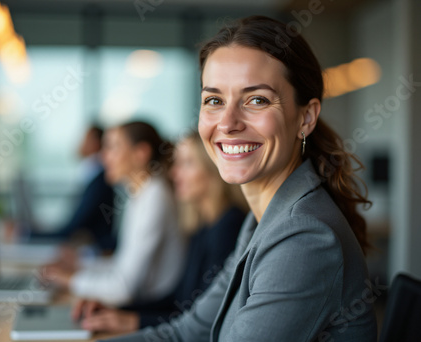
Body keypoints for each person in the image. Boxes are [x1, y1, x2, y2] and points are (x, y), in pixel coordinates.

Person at [94, 16, 377, 341]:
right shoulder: (260, 222)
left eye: (256, 99)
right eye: (214, 100)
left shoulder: (305, 240)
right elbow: (187, 332)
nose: (228, 123)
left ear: (306, 117)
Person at [71, 132, 247, 334]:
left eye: (187, 163)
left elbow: (204, 320)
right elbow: (179, 300)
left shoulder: (228, 227)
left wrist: (133, 321)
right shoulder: (204, 226)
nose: (174, 173)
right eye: (176, 163)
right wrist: (120, 311)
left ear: (213, 168)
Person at [44, 121, 185, 307]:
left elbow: (123, 288)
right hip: (141, 303)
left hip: (150, 309)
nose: (103, 157)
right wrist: (80, 267)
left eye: (113, 148)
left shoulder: (155, 197)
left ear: (141, 153)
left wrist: (70, 280)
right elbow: (122, 266)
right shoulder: (139, 194)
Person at [28, 125, 117, 251]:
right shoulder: (93, 177)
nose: (79, 143)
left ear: (96, 143)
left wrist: (25, 234)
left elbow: (71, 229)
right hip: (87, 249)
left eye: (84, 138)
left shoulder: (100, 182)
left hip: (94, 252)